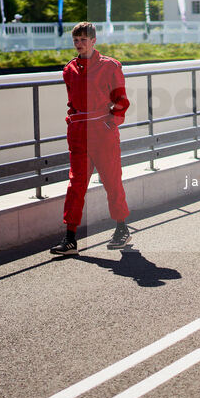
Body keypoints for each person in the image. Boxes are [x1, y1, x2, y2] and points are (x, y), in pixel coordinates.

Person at [50, 21, 133, 255]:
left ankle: (122, 229)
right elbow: (71, 104)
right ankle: (70, 239)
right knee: (75, 185)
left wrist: (110, 123)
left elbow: (121, 101)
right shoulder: (69, 70)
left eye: (83, 40)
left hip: (103, 133)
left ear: (94, 41)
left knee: (111, 181)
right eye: (76, 40)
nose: (79, 44)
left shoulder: (110, 66)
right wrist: (72, 122)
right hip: (78, 135)